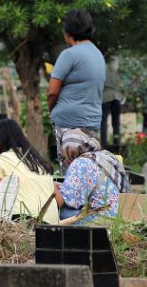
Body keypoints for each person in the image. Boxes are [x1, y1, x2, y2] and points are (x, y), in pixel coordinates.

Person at [47, 9, 105, 168]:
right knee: (87, 171)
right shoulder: (98, 55)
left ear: (67, 33)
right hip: (91, 123)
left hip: (68, 123)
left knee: (70, 174)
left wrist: (51, 110)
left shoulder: (69, 54)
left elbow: (52, 91)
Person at [0, 119, 59, 224]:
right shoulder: (37, 162)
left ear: (1, 141)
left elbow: (3, 200)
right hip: (52, 223)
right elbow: (59, 200)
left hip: (22, 223)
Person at [55, 129, 130, 224]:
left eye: (63, 157)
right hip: (118, 216)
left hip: (101, 220)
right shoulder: (102, 156)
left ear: (70, 151)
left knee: (56, 211)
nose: (63, 162)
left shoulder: (80, 163)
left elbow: (64, 200)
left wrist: (51, 186)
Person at [101, 56, 123, 147]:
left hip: (105, 96)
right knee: (116, 120)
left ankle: (104, 141)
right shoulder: (119, 70)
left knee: (103, 120)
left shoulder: (103, 69)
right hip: (117, 96)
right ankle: (116, 140)